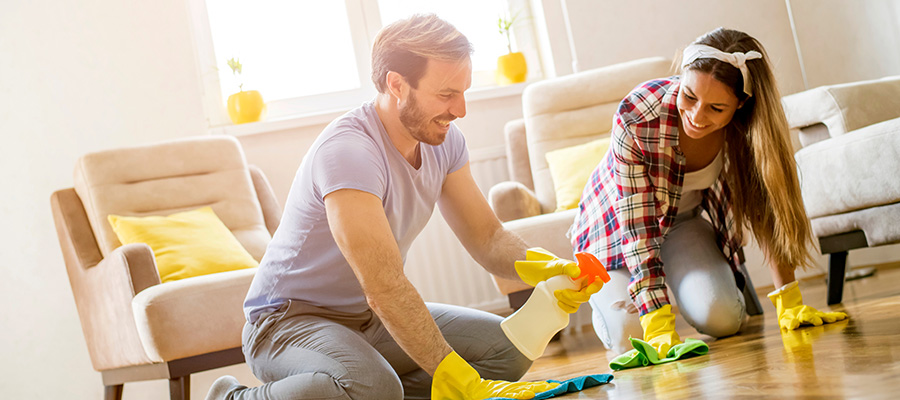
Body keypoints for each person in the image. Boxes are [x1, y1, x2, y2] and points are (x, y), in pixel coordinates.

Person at [206, 14, 597, 400]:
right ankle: (232, 397)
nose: (460, 110)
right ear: (396, 84)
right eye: (446, 94)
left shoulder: (445, 141)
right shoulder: (349, 152)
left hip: (366, 318)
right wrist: (450, 373)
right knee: (374, 387)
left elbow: (489, 238)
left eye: (464, 92)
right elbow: (384, 285)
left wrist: (550, 267)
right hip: (288, 322)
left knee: (503, 353)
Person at [569, 27, 848, 358]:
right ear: (682, 76)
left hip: (682, 224)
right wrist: (657, 320)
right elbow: (639, 230)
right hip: (615, 230)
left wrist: (789, 299)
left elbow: (767, 208)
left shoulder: (747, 132)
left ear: (740, 106)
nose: (696, 117)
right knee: (631, 336)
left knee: (723, 319)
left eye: (716, 108)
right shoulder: (637, 115)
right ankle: (608, 298)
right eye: (689, 96)